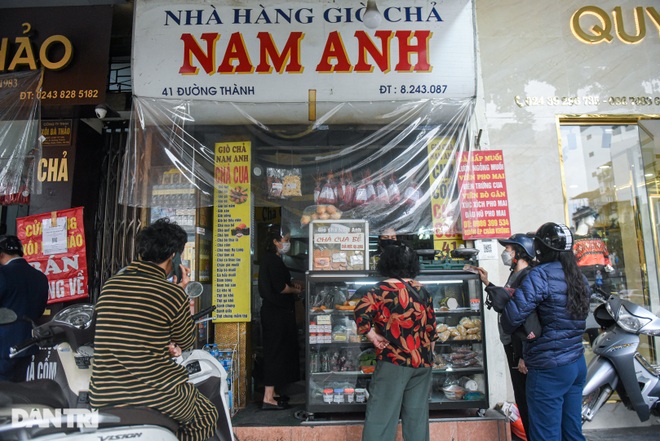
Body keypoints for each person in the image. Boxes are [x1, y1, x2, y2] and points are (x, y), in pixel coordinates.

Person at [89, 218, 218, 441]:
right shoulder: (171, 293)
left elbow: (125, 331)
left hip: (104, 394)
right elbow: (186, 341)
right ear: (173, 256)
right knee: (206, 415)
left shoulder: (110, 286)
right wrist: (182, 292)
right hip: (155, 393)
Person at [501, 223, 590, 441]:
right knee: (572, 433)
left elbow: (511, 318)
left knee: (545, 435)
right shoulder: (580, 276)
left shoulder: (540, 275)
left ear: (540, 249)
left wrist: (505, 300)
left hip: (549, 366)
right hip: (576, 363)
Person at [354, 240, 437, 441]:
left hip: (394, 360)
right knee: (417, 418)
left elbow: (360, 312)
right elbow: (432, 329)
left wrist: (373, 336)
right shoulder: (423, 290)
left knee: (381, 416)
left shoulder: (381, 289)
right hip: (423, 361)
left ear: (387, 264)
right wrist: (429, 355)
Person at [475, 233, 535, 439]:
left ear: (520, 252)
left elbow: (526, 318)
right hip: (513, 345)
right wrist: (488, 283)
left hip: (522, 348)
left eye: (509, 249)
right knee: (521, 394)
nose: (505, 252)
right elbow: (506, 300)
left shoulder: (529, 276)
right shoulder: (515, 275)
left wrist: (523, 355)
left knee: (528, 400)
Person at [258, 230, 302, 410]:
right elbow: (280, 288)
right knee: (274, 352)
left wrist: (292, 286)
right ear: (275, 241)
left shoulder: (273, 259)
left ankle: (273, 392)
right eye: (286, 240)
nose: (287, 243)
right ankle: (268, 398)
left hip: (277, 313)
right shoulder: (272, 260)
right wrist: (295, 291)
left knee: (278, 351)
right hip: (275, 314)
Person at [0, 235, 49, 381]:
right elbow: (39, 310)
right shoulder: (40, 277)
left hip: (3, 345)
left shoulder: (3, 274)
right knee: (16, 391)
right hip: (27, 344)